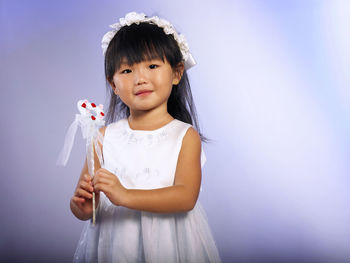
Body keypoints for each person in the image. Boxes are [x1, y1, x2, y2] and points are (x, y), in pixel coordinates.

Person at [70, 12, 222, 263]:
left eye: (152, 66)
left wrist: (125, 195)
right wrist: (83, 207)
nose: (140, 79)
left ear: (176, 73)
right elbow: (83, 205)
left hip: (169, 243)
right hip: (115, 244)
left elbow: (186, 197)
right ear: (113, 85)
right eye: (127, 70)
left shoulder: (184, 136)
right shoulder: (103, 138)